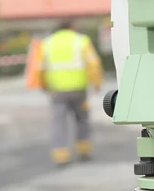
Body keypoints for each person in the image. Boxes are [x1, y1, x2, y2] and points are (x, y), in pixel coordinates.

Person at [36, 20, 104, 166]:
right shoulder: (81, 41)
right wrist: (97, 83)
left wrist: (44, 86)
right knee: (82, 120)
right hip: (79, 89)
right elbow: (93, 63)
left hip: (56, 90)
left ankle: (61, 155)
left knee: (58, 122)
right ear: (72, 27)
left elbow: (40, 68)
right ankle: (84, 150)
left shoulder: (46, 43)